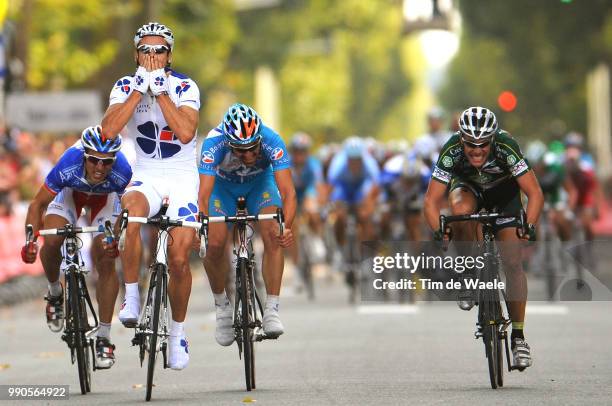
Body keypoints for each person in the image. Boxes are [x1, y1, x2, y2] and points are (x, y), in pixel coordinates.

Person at [100, 22, 201, 370]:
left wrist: (160, 94)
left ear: (169, 55)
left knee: (178, 258)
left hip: (182, 178)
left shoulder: (185, 86)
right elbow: (108, 131)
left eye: (159, 50)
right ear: (136, 54)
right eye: (146, 50)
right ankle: (130, 299)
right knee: (130, 216)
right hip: (146, 174)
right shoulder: (125, 85)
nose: (152, 56)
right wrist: (137, 93)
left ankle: (176, 334)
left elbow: (187, 133)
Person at [423, 106, 544, 370]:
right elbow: (431, 201)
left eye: (483, 145)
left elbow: (534, 193)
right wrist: (438, 230)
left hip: (504, 194)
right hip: (468, 190)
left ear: (492, 140)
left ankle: (519, 338)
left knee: (512, 262)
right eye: (470, 145)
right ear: (461, 139)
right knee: (460, 213)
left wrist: (529, 225)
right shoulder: (451, 148)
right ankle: (468, 271)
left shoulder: (506, 145)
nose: (476, 151)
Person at [21, 125, 131, 370]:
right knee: (51, 241)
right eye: (93, 160)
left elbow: (128, 210)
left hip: (107, 200)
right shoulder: (68, 163)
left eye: (106, 162)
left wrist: (116, 237)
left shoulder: (123, 171)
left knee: (105, 257)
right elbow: (37, 205)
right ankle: (55, 294)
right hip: (71, 194)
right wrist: (30, 241)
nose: (100, 168)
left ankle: (103, 337)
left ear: (115, 160)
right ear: (84, 155)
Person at [198, 103, 296, 345]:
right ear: (229, 142)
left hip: (259, 185)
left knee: (273, 232)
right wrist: (201, 227)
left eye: (254, 149)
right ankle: (222, 307)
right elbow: (203, 196)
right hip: (223, 189)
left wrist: (286, 226)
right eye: (241, 151)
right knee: (215, 242)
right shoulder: (213, 144)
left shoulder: (272, 139)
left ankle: (271, 310)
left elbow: (288, 193)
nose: (250, 156)